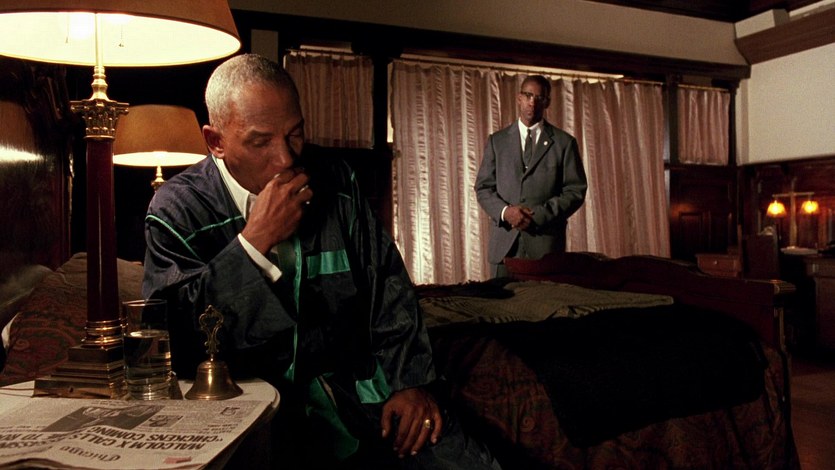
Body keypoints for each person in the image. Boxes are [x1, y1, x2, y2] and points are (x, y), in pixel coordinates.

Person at [141, 53, 500, 470]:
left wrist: (411, 383)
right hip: (247, 405)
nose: (285, 159)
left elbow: (387, 284)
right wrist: (254, 243)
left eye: (294, 134)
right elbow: (171, 337)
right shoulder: (176, 208)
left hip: (353, 395)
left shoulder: (337, 180)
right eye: (260, 142)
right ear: (215, 141)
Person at [474, 75, 587, 277]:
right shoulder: (497, 141)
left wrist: (538, 216)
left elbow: (575, 191)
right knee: (499, 299)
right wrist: (505, 212)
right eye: (528, 95)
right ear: (519, 98)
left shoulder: (564, 143)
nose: (532, 102)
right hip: (504, 248)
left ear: (547, 102)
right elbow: (483, 188)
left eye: (539, 97)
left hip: (546, 249)